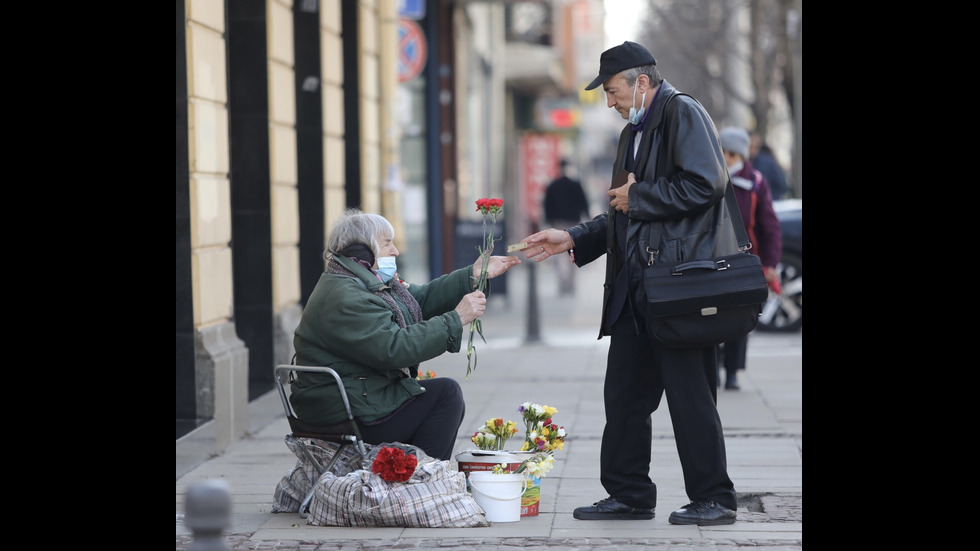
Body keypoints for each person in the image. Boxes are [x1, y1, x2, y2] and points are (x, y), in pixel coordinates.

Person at [518, 41, 738, 526]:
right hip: (636, 286)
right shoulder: (632, 133)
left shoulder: (682, 113)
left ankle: (715, 499)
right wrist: (573, 237)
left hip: (678, 286)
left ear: (642, 82)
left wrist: (639, 196)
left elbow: (709, 182)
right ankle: (629, 493)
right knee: (623, 397)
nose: (610, 101)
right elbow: (622, 211)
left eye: (613, 91)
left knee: (690, 397)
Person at [290, 208, 520, 460]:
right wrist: (457, 318)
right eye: (387, 243)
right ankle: (423, 481)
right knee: (445, 395)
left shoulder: (356, 280)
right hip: (343, 410)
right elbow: (394, 349)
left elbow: (416, 301)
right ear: (361, 250)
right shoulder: (349, 295)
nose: (395, 251)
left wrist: (471, 275)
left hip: (354, 397)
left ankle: (407, 474)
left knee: (435, 395)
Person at [717, 127, 783, 390]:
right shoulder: (709, 178)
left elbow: (770, 228)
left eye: (730, 153)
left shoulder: (755, 182)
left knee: (738, 321)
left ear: (740, 155)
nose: (726, 157)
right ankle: (713, 366)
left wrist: (770, 264)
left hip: (744, 263)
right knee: (710, 317)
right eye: (722, 151)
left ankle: (732, 370)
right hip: (713, 260)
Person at [543, 158, 591, 295]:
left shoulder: (553, 185)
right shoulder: (575, 184)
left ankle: (563, 283)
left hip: (557, 222)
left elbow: (547, 205)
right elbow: (583, 202)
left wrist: (548, 221)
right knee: (572, 252)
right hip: (573, 223)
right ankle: (571, 284)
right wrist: (587, 218)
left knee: (559, 255)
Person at [749, 132, 788, 200]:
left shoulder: (768, 163)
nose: (753, 150)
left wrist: (769, 200)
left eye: (756, 147)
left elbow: (781, 185)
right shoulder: (740, 163)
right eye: (751, 146)